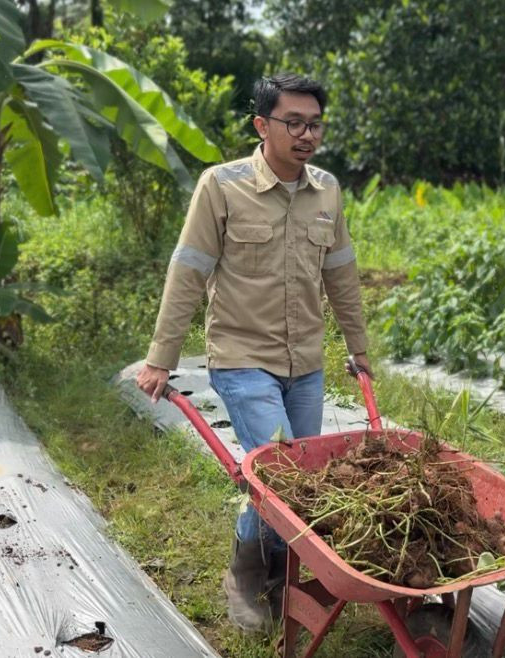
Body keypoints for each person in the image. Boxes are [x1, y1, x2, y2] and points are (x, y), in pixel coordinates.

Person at [135, 74, 370, 631]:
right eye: (293, 122)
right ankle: (248, 579)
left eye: (314, 123)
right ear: (262, 125)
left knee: (302, 481)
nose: (306, 133)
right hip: (242, 359)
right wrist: (161, 357)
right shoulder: (222, 185)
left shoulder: (328, 190)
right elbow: (189, 270)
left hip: (306, 365)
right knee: (281, 476)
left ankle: (284, 576)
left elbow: (341, 275)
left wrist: (358, 349)